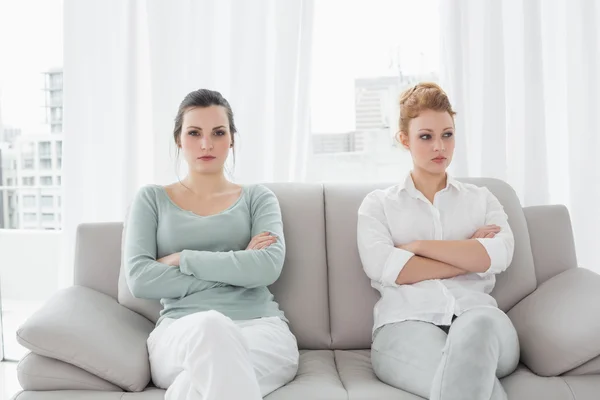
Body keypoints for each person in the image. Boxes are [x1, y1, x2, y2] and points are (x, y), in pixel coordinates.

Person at [123, 89, 299, 400]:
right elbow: (140, 279)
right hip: (181, 331)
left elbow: (267, 268)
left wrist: (181, 258)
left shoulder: (258, 198)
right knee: (212, 325)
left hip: (260, 328)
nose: (206, 144)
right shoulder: (151, 199)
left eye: (218, 132)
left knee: (194, 387)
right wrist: (240, 263)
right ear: (179, 139)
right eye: (194, 133)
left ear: (231, 139)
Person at [357, 82, 520, 400]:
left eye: (447, 134)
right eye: (426, 136)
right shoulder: (378, 205)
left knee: (477, 329)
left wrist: (419, 247)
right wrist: (467, 252)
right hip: (405, 323)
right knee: (463, 379)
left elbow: (499, 255)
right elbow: (388, 268)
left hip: (480, 317)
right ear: (404, 139)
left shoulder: (483, 199)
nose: (439, 147)